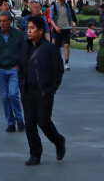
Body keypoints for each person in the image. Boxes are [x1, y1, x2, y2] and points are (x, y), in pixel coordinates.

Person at [20, 15, 66, 166]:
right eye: (28, 28)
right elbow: (21, 66)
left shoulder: (50, 49)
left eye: (32, 28)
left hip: (43, 92)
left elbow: (58, 70)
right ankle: (35, 154)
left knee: (43, 122)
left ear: (40, 31)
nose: (29, 31)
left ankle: (58, 140)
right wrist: (22, 84)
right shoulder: (25, 47)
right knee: (29, 124)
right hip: (27, 91)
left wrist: (51, 89)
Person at [0, 11, 27, 132]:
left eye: (5, 21)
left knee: (13, 94)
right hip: (0, 69)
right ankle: (10, 122)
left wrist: (21, 66)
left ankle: (19, 120)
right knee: (4, 97)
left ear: (10, 21)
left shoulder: (18, 35)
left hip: (14, 69)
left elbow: (24, 51)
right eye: (1, 21)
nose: (3, 24)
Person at [49, 0, 76, 70]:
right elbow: (51, 19)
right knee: (57, 48)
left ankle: (66, 63)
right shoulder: (53, 7)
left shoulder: (67, 6)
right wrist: (56, 27)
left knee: (66, 46)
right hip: (58, 29)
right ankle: (58, 62)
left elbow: (70, 17)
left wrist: (73, 27)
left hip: (66, 28)